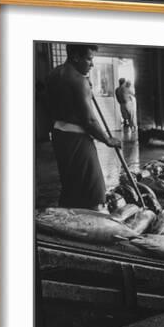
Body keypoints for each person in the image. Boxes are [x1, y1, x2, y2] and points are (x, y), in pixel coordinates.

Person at [46, 44, 121, 210]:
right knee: (94, 190)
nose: (92, 64)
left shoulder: (53, 74)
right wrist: (108, 139)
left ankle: (70, 217)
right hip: (77, 137)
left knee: (70, 183)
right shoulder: (79, 81)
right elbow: (89, 121)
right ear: (75, 57)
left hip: (59, 135)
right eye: (89, 59)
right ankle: (93, 223)